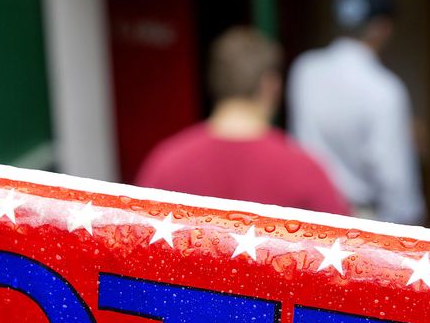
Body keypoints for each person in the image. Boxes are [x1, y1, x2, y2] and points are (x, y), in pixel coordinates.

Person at [136, 27, 350, 215]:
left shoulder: (166, 163)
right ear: (270, 84)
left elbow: (136, 241)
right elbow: (345, 248)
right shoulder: (303, 169)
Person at [287, 0, 426, 225]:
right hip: (358, 221)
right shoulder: (384, 89)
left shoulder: (305, 69)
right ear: (383, 28)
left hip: (306, 215)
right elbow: (395, 181)